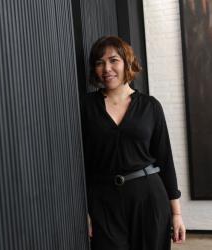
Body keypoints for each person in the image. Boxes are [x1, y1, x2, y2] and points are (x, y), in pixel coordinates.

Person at [82, 36, 186, 250]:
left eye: (113, 60)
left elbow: (165, 159)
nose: (106, 68)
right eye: (99, 62)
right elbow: (81, 162)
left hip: (148, 197)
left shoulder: (150, 107)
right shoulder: (86, 106)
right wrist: (84, 210)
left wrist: (176, 214)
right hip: (104, 202)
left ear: (127, 63)